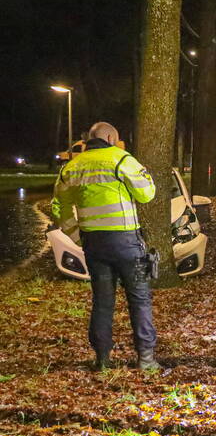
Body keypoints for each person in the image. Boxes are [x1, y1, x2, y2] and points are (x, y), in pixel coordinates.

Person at [52, 122, 159, 371]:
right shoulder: (120, 159)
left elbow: (59, 208)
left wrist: (78, 237)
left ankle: (102, 359)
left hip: (94, 244)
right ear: (111, 137)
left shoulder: (71, 167)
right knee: (139, 299)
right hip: (126, 242)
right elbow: (147, 194)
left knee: (102, 300)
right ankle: (146, 359)